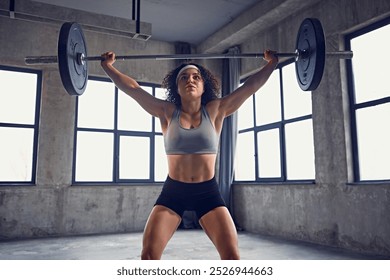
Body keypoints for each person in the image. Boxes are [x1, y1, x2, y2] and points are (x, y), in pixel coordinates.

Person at [100, 50, 278, 260]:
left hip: (208, 193)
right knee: (148, 256)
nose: (190, 80)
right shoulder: (167, 111)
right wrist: (107, 67)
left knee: (232, 257)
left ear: (204, 86)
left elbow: (250, 87)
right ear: (177, 87)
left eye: (196, 77)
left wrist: (272, 63)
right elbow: (133, 89)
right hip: (173, 192)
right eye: (183, 77)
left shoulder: (215, 110)